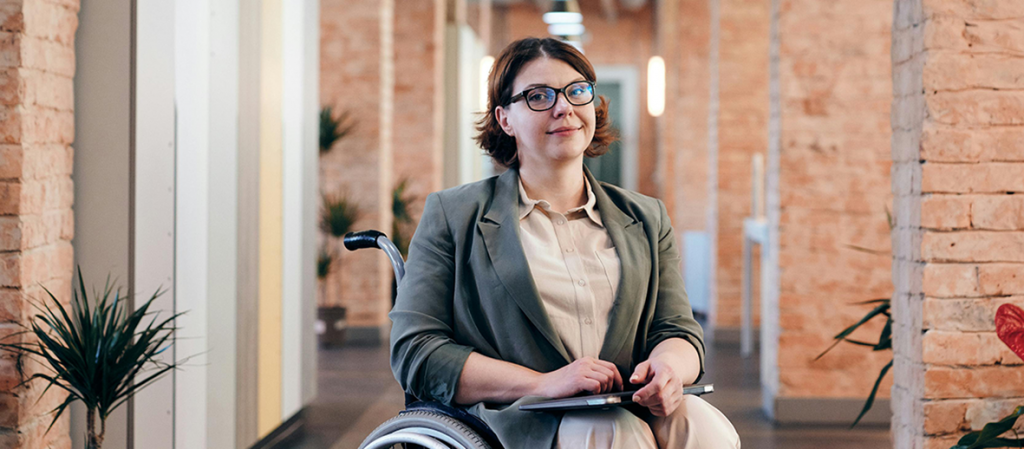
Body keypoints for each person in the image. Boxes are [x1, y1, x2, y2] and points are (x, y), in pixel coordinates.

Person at [390, 37, 740, 449]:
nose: (564, 107)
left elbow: (677, 329)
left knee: (702, 424)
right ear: (504, 119)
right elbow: (417, 350)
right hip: (520, 418)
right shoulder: (454, 214)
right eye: (538, 96)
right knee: (610, 431)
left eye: (577, 90)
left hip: (629, 403)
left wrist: (669, 366)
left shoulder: (646, 217)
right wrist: (546, 383)